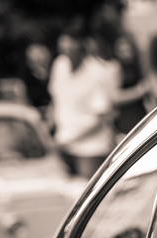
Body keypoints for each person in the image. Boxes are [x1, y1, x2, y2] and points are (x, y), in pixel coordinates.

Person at [48, 25, 119, 178]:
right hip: (63, 145)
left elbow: (102, 117)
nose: (67, 53)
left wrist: (69, 138)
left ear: (82, 46)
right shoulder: (59, 65)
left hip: (90, 150)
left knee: (88, 196)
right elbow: (55, 100)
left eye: (71, 48)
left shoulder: (97, 73)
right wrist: (49, 131)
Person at [112, 35, 149, 136]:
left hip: (140, 113)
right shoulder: (117, 68)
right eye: (123, 51)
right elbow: (116, 97)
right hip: (127, 118)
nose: (127, 54)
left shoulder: (137, 66)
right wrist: (139, 91)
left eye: (129, 50)